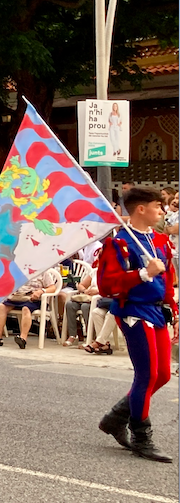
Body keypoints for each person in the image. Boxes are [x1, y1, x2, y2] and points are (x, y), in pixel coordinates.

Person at [95, 186, 177, 463]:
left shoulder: (161, 241)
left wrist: (173, 310)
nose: (163, 211)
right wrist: (142, 273)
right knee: (148, 374)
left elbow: (167, 280)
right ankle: (142, 436)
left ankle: (116, 417)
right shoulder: (118, 243)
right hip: (133, 310)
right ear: (141, 209)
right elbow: (106, 285)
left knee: (163, 374)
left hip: (156, 311)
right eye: (158, 206)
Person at [0, 267, 59, 349]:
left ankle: (23, 338)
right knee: (2, 307)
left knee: (26, 309)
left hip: (33, 298)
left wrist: (41, 291)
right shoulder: (19, 269)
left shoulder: (44, 271)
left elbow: (52, 288)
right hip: (18, 297)